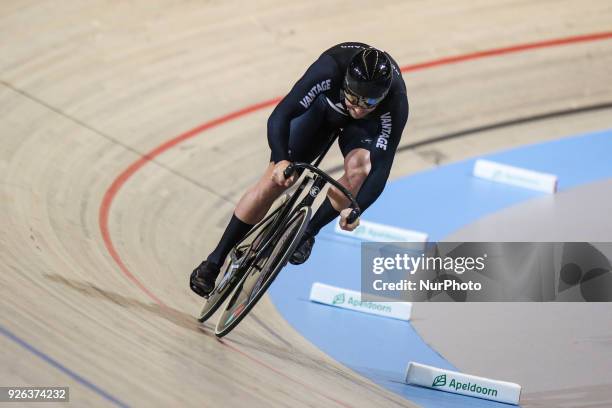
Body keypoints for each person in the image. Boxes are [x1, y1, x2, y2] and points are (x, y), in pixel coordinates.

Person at [190, 42, 409, 298]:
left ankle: (307, 232)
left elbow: (382, 169)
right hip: (322, 111)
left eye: (369, 103)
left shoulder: (396, 101)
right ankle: (214, 262)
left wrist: (356, 208)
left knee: (360, 169)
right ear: (346, 84)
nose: (359, 109)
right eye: (354, 98)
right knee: (273, 182)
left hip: (360, 132)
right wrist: (281, 159)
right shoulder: (329, 69)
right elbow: (281, 115)